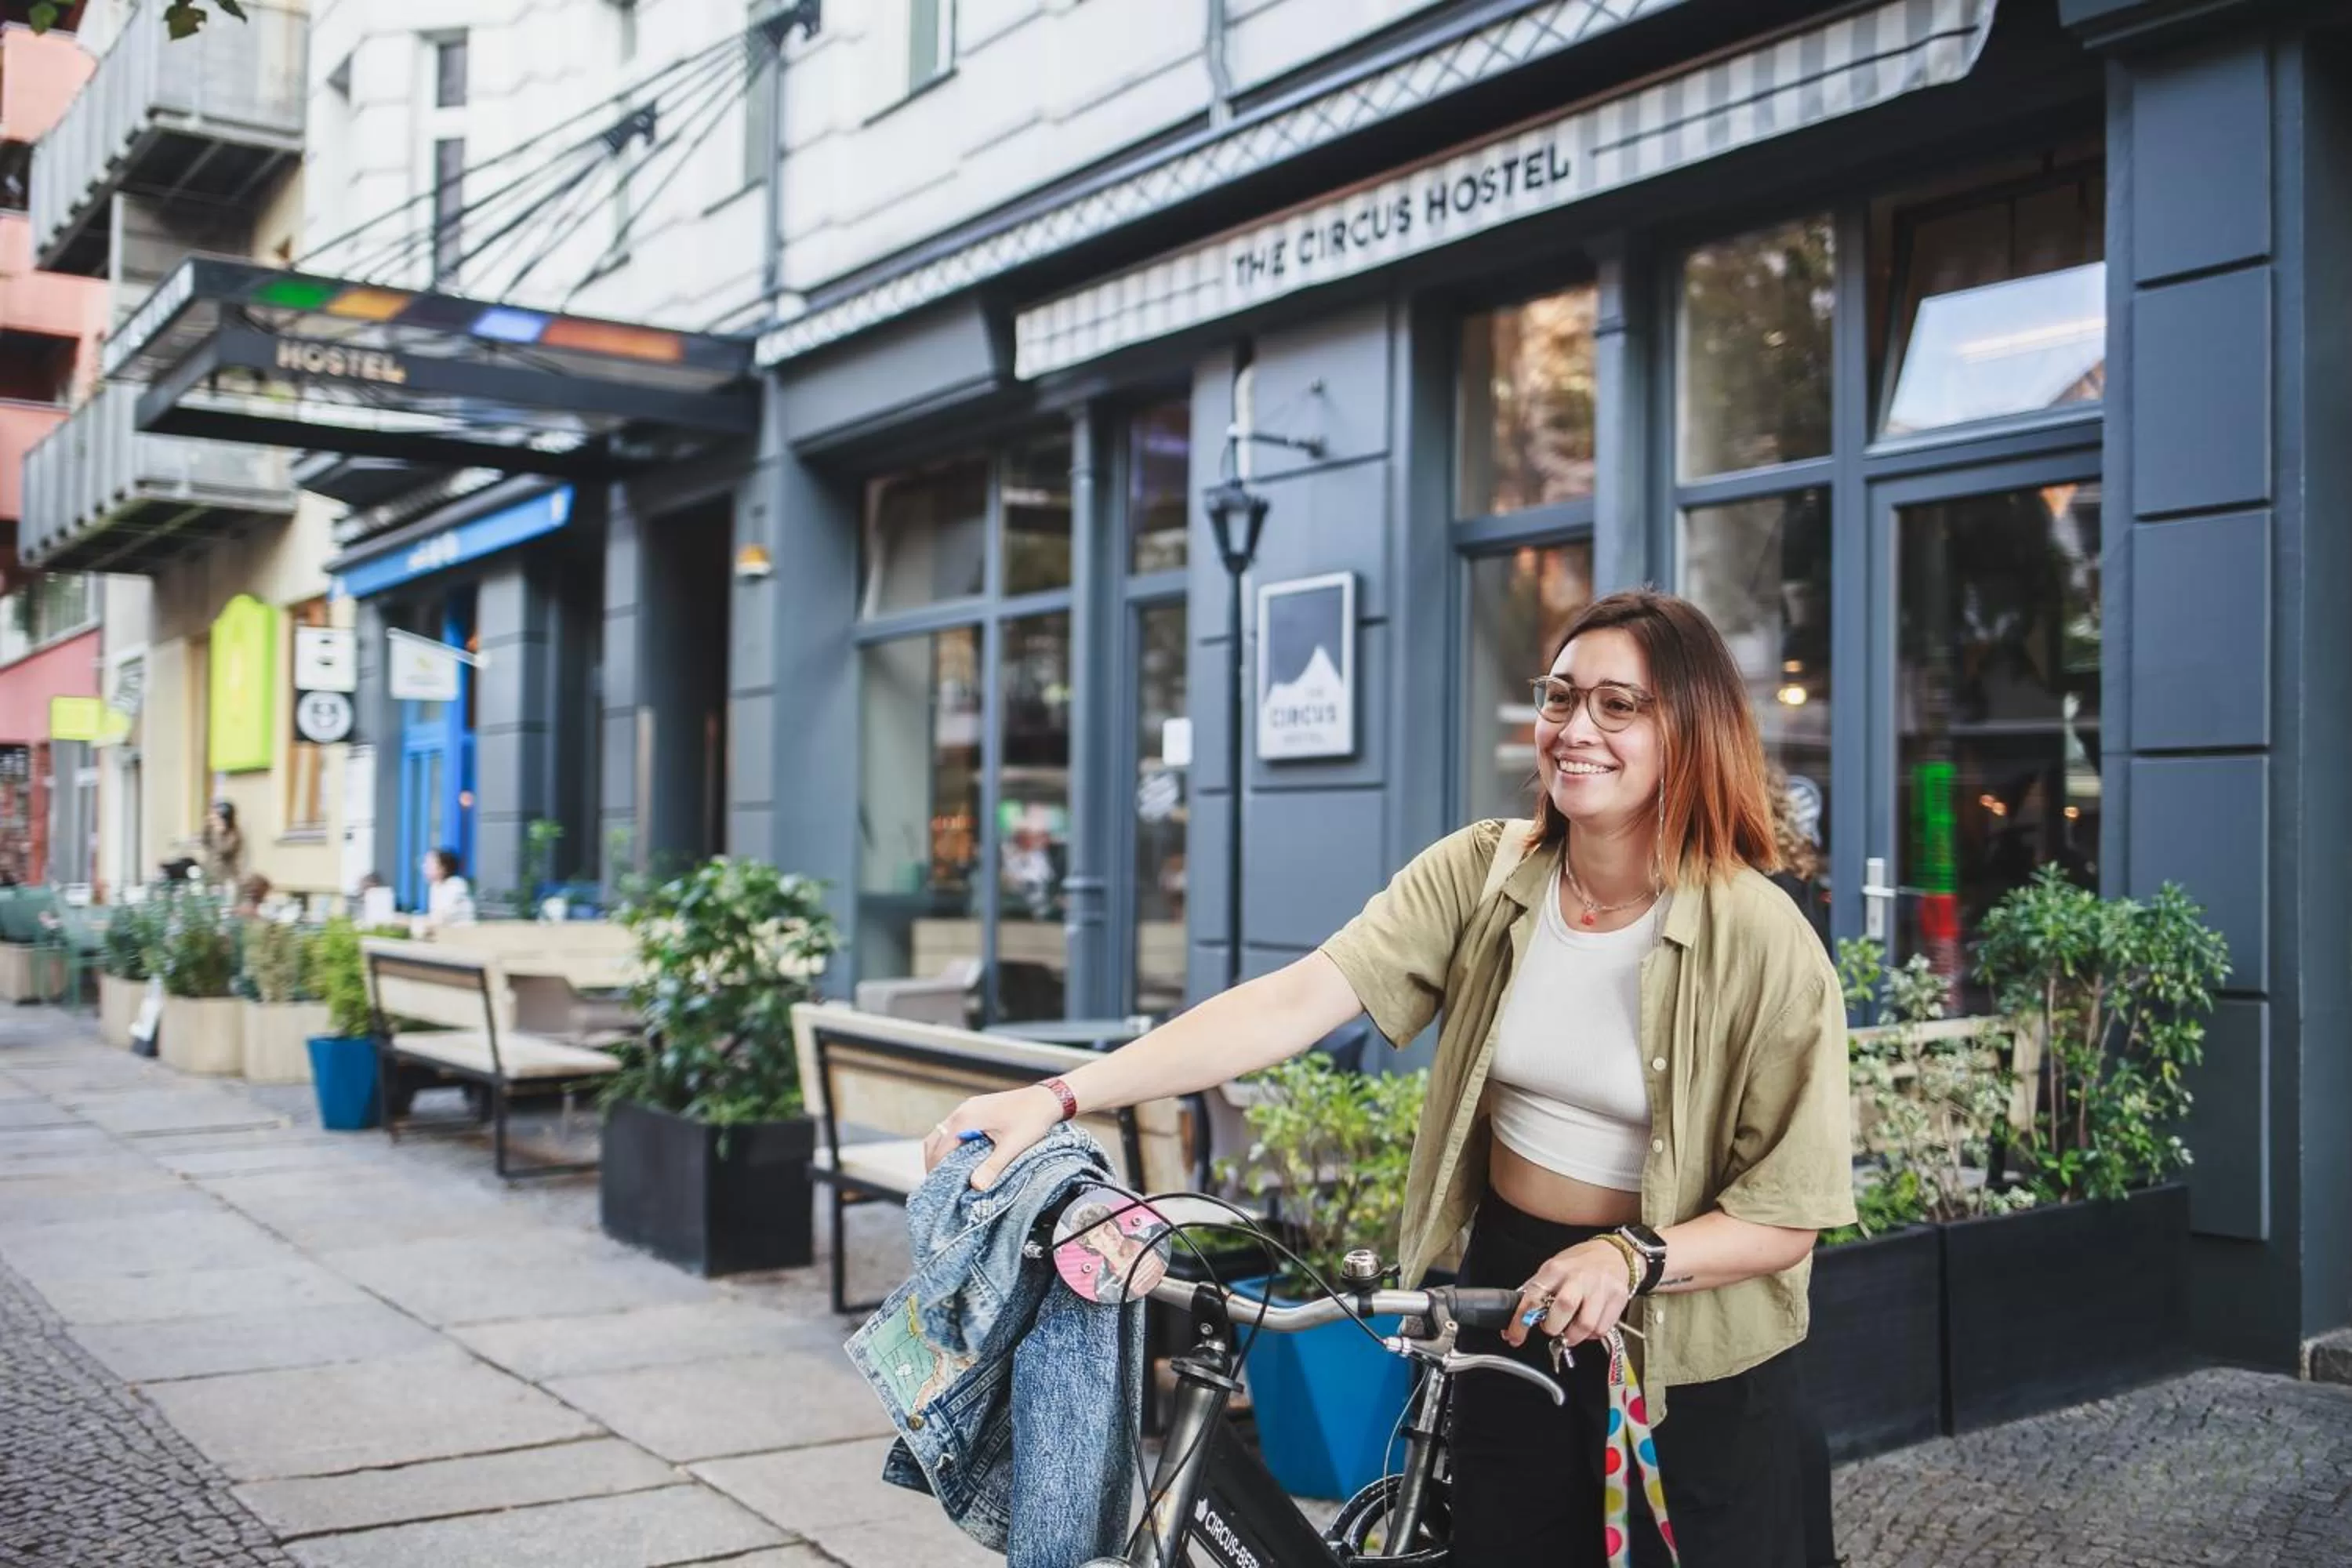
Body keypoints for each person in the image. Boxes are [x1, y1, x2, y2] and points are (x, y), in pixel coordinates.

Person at [922, 589, 1854, 1566]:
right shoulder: (1485, 874)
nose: (1577, 728)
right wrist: (1058, 1095)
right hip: (1511, 1295)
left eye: (1621, 706)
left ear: (1690, 729)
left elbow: (1789, 1213)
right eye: (1562, 696)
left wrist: (1628, 1256)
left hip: (1688, 1334)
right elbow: (1290, 1001)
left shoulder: (1760, 936)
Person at [420, 848, 476, 927]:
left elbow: (441, 918)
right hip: (445, 932)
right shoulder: (435, 886)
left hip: (461, 933)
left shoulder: (456, 885)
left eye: (430, 864)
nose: (425, 867)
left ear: (443, 868)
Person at [199, 801, 245, 887]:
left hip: (226, 879)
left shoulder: (233, 834)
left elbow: (223, 851)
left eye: (217, 817)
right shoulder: (212, 830)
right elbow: (205, 842)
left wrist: (219, 834)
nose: (214, 819)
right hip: (210, 876)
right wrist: (207, 824)